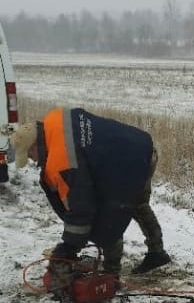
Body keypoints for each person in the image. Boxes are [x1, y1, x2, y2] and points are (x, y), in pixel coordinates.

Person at [11, 108, 171, 277]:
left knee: (110, 212)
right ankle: (157, 252)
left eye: (30, 154)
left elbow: (82, 208)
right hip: (138, 146)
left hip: (134, 159)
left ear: (36, 144)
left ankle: (111, 272)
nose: (32, 160)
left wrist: (68, 247)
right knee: (137, 204)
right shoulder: (54, 120)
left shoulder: (63, 159)